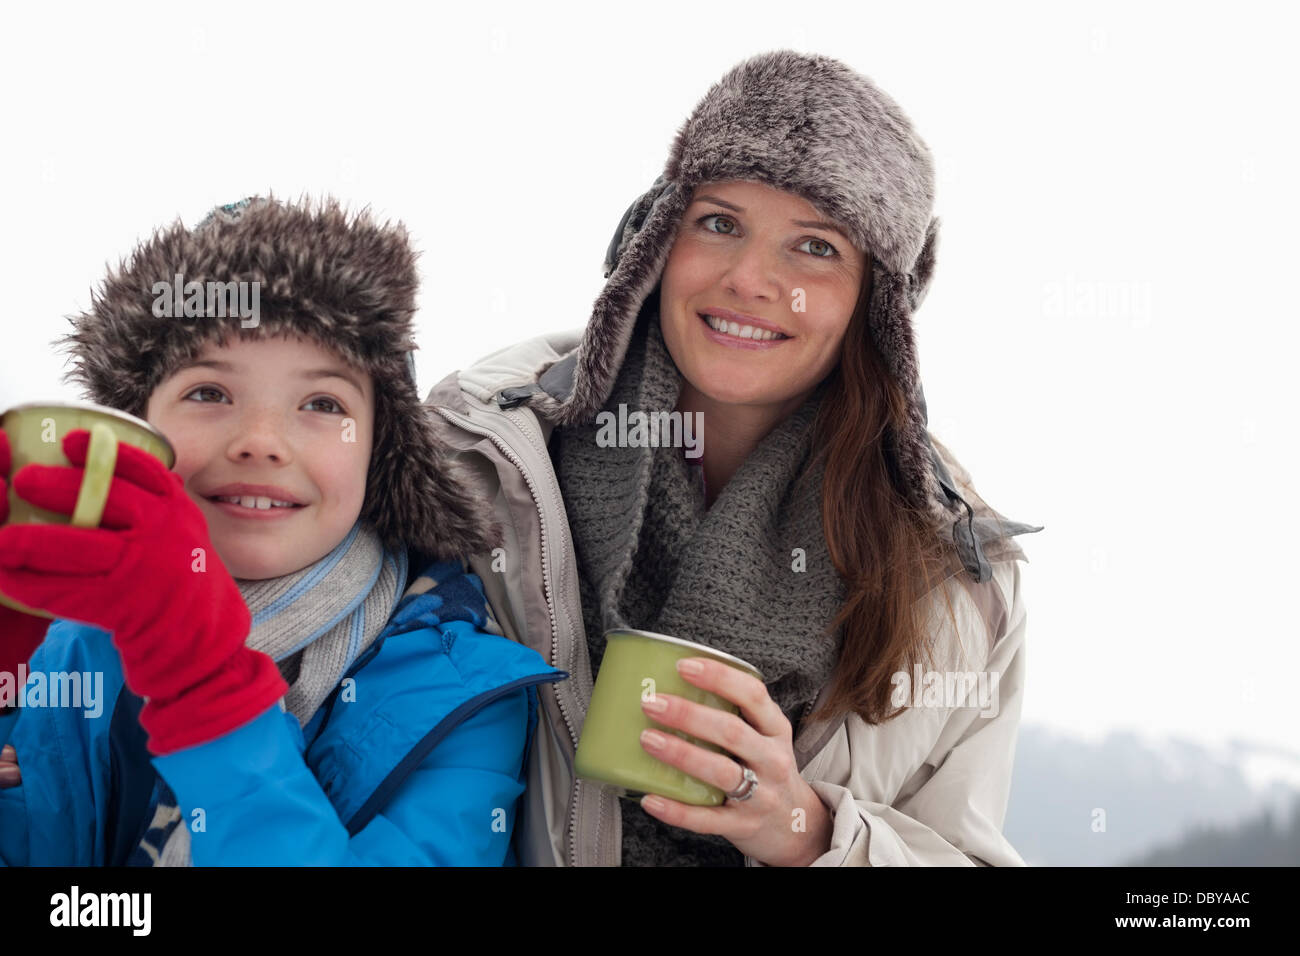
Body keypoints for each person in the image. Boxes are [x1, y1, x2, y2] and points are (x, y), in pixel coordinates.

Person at [422, 50, 1043, 866]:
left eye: (815, 248)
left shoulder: (961, 582)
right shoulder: (481, 454)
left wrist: (809, 830)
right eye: (719, 223)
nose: (751, 279)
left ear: (877, 310)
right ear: (655, 242)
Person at [0, 196, 565, 865]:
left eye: (322, 404)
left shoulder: (466, 693)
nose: (262, 442)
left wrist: (203, 680)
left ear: (378, 450)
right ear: (135, 430)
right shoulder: (69, 645)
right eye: (209, 393)